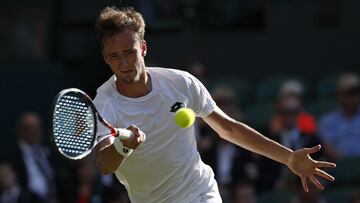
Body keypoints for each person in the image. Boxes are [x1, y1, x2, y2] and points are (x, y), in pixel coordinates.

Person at [93, 6, 336, 203]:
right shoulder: (104, 104)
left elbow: (228, 128)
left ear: (143, 48)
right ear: (105, 58)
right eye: (114, 56)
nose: (124, 63)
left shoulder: (181, 83)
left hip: (199, 193)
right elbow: (104, 164)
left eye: (130, 52)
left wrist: (289, 158)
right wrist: (124, 148)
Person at [6, 112, 57, 203]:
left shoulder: (47, 151)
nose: (35, 131)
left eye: (37, 128)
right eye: (30, 128)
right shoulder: (11, 156)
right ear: (21, 130)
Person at [319, 72, 360, 160]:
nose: (354, 97)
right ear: (340, 94)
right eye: (349, 93)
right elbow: (328, 147)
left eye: (356, 93)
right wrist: (346, 164)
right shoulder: (328, 120)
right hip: (339, 168)